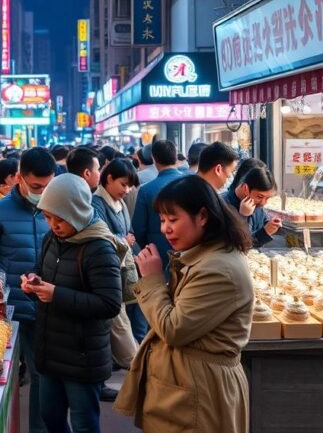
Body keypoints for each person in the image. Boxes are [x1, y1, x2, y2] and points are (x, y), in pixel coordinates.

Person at [114, 176, 254, 433]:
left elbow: (173, 329)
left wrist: (153, 279)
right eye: (163, 220)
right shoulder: (204, 256)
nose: (165, 228)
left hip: (200, 392)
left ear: (202, 216)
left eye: (173, 219)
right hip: (189, 384)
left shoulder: (218, 269)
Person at [23, 174, 125, 433]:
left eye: (60, 218)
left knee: (84, 424)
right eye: (48, 217)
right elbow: (41, 271)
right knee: (50, 417)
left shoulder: (99, 247)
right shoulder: (52, 239)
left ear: (77, 212)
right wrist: (32, 284)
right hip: (51, 348)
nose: (53, 225)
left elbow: (110, 303)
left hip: (83, 355)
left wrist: (56, 294)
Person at [0, 148, 55, 433]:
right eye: (36, 186)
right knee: (0, 376)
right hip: (6, 310)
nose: (42, 192)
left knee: (40, 375)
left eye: (48, 186)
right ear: (19, 178)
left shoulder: (54, 210)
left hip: (41, 308)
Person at [90, 158, 142, 401]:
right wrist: (124, 240)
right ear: (108, 179)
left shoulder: (119, 202)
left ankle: (135, 365)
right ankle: (139, 367)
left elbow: (126, 232)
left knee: (119, 321)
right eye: (124, 184)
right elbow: (105, 234)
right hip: (107, 271)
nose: (127, 190)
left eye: (130, 185)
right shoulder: (97, 202)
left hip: (120, 269)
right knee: (118, 321)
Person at [132, 140, 185, 280]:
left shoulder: (146, 190)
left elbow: (139, 228)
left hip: (159, 249)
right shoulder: (192, 181)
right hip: (190, 249)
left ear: (154, 159)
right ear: (176, 156)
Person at [223, 166, 280, 247]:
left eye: (268, 198)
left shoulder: (258, 207)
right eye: (260, 197)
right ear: (245, 188)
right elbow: (235, 246)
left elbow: (264, 223)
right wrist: (242, 217)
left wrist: (272, 225)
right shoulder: (221, 204)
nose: (263, 203)